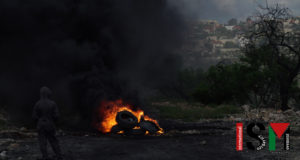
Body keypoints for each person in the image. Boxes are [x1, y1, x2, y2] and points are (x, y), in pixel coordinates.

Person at [32, 86, 63, 160]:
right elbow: (56, 116)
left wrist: (39, 121)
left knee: (42, 142)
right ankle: (59, 156)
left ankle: (45, 157)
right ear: (48, 93)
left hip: (41, 125)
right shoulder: (52, 103)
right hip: (50, 125)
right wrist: (54, 122)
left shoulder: (37, 103)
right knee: (53, 141)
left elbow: (34, 116)